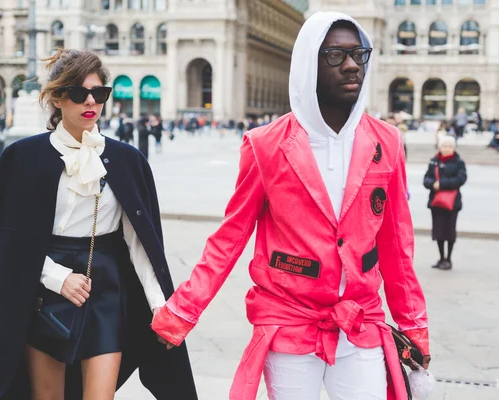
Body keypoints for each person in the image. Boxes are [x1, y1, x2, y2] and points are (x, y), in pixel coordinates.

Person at [152, 12, 430, 400]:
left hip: (361, 320)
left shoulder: (387, 142)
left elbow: (397, 249)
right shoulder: (265, 145)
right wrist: (182, 311)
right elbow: (229, 237)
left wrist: (414, 325)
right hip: (288, 322)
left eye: (359, 54)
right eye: (335, 55)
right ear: (307, 65)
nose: (352, 65)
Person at [0, 49, 197, 400]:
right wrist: (57, 277)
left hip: (107, 287)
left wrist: (160, 307)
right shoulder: (23, 158)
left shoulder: (127, 161)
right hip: (43, 290)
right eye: (79, 93)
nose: (91, 101)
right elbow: (9, 242)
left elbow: (141, 244)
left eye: (100, 93)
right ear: (57, 98)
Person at [423, 135, 467, 271]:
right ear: (439, 147)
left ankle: (449, 258)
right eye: (444, 146)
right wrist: (432, 184)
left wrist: (441, 184)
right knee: (439, 231)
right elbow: (426, 179)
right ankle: (441, 257)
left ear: (454, 148)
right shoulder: (433, 161)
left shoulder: (459, 162)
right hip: (436, 202)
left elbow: (461, 179)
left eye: (449, 146)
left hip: (452, 202)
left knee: (450, 230)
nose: (447, 148)